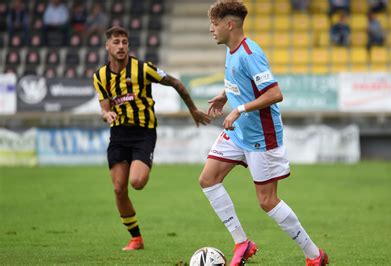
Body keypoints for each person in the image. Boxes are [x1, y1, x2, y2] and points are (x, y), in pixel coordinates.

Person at [200, 1, 328, 266]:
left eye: (214, 24)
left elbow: (274, 94)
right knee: (208, 179)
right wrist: (226, 95)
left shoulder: (250, 52)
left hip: (261, 136)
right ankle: (242, 242)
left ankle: (314, 255)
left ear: (229, 24)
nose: (211, 29)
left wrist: (239, 109)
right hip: (238, 133)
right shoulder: (231, 50)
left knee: (267, 201)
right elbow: (240, 80)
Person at [93, 26, 210, 251]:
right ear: (108, 46)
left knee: (137, 182)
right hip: (118, 134)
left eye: (124, 42)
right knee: (119, 189)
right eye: (116, 42)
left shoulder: (143, 68)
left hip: (143, 133)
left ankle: (143, 162)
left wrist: (193, 109)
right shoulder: (100, 76)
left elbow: (176, 83)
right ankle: (136, 238)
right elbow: (104, 107)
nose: (120, 46)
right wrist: (106, 114)